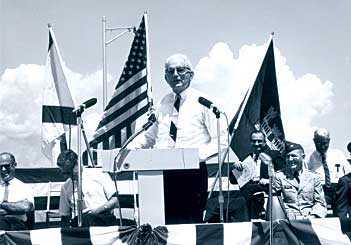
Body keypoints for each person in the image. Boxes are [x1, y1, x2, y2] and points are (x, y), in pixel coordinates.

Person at [128, 54, 228, 224]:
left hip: (191, 174)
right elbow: (149, 136)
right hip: (161, 174)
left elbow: (221, 141)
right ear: (165, 77)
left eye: (180, 70)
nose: (175, 74)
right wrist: (128, 150)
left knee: (188, 227)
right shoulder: (163, 103)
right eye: (170, 71)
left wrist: (191, 157)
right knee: (165, 226)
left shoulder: (203, 102)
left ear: (191, 74)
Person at [230, 130, 285, 220]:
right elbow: (232, 181)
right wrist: (236, 168)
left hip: (268, 189)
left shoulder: (274, 155)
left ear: (265, 142)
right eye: (254, 141)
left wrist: (270, 180)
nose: (256, 144)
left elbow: (284, 175)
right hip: (248, 193)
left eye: (259, 141)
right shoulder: (247, 158)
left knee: (248, 190)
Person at [57, 149, 120, 227]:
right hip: (81, 224)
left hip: (103, 219)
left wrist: (97, 210)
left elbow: (115, 201)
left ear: (77, 163)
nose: (67, 176)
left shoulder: (99, 174)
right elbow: (65, 215)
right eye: (64, 173)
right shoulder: (66, 187)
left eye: (69, 172)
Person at [273, 141, 327, 219]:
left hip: (310, 219)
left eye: (293, 156)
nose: (290, 159)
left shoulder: (314, 177)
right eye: (287, 156)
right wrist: (287, 212)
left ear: (303, 157)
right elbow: (276, 201)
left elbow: (320, 202)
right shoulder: (279, 176)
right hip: (288, 220)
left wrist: (313, 215)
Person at [307, 128, 351, 217]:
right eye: (319, 143)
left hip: (339, 188)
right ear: (314, 141)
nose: (322, 147)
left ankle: (341, 225)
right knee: (318, 209)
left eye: (325, 143)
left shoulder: (338, 154)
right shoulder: (309, 158)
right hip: (321, 190)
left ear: (329, 141)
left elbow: (348, 173)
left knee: (342, 210)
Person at [0, 152, 34, 230]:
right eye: (0, 167)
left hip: (17, 228)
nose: (3, 170)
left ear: (14, 165)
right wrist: (15, 209)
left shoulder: (24, 188)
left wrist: (2, 204)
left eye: (6, 166)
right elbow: (20, 208)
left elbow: (26, 207)